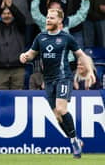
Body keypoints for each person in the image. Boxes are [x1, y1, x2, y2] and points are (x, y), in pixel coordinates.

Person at [19, 8, 96, 159]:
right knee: (57, 116)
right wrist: (24, 56)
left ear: (59, 21)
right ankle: (75, 140)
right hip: (48, 80)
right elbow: (31, 54)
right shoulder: (40, 37)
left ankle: (74, 142)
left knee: (61, 109)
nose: (48, 20)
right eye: (47, 17)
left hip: (63, 77)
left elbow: (82, 55)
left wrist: (90, 71)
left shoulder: (66, 38)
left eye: (52, 18)